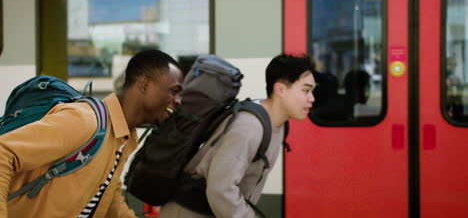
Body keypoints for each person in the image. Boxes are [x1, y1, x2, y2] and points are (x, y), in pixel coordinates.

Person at [0, 49, 183, 217]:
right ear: (144, 84)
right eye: (174, 91)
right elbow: (3, 153)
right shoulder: (84, 121)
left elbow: (107, 194)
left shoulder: (125, 136)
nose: (178, 101)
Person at [158, 53, 316, 218]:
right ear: (280, 90)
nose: (312, 98)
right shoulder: (249, 127)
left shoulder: (279, 125)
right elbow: (221, 189)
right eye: (306, 90)